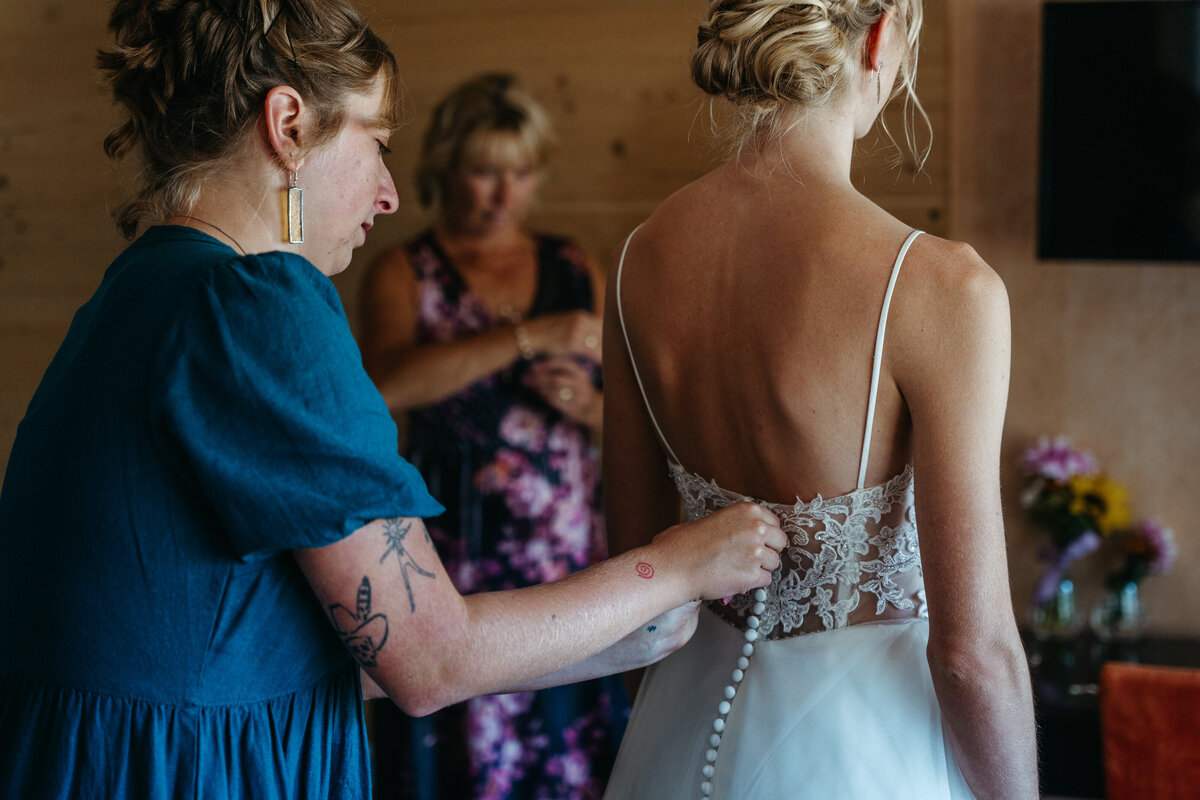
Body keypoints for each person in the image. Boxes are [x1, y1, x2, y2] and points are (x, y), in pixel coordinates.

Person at [0, 3, 788, 798]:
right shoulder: (257, 303)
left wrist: (623, 635)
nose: (386, 195)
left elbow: (296, 645)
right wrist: (681, 565)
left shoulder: (138, 288)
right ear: (288, 126)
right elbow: (426, 662)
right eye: (376, 144)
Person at [599, 1, 1039, 799]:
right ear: (880, 39)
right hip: (864, 751)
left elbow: (636, 586)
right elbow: (972, 654)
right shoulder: (939, 287)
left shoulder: (639, 259)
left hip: (678, 728)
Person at [358, 73, 621, 800]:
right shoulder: (405, 270)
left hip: (566, 550)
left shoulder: (572, 266)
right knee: (465, 755)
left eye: (521, 172)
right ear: (446, 169)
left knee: (572, 750)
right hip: (454, 551)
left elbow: (622, 413)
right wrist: (528, 337)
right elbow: (383, 388)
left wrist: (588, 408)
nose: (503, 193)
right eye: (484, 170)